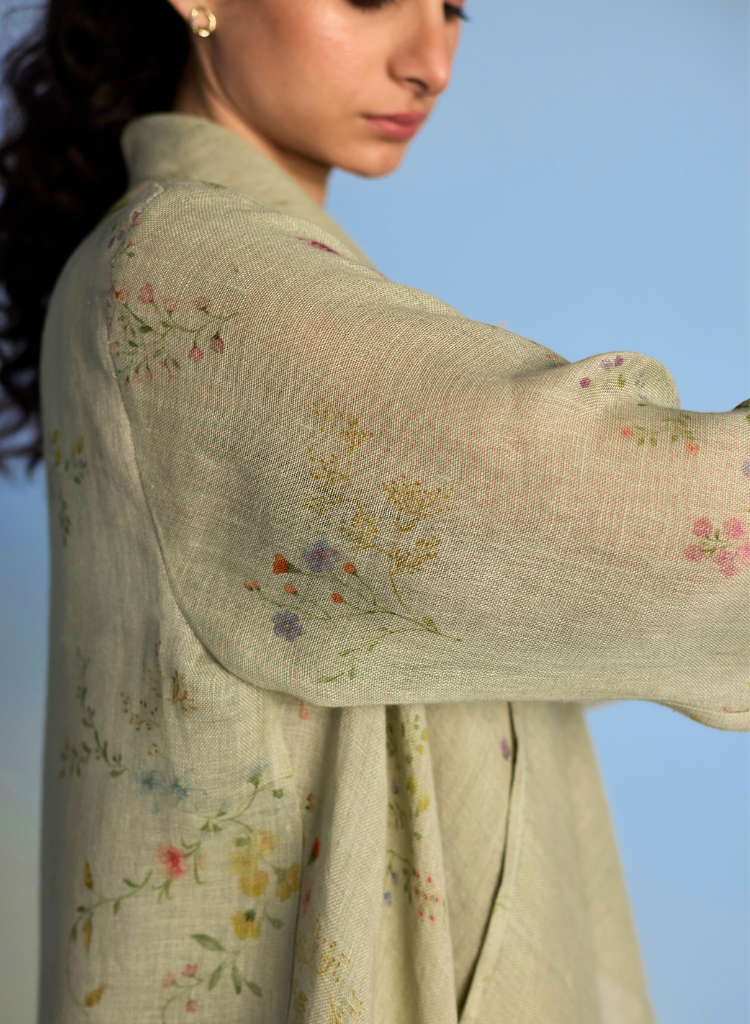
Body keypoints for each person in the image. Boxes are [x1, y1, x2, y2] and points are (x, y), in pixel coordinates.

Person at [0, 2, 746, 1022]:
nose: (432, 62)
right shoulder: (186, 269)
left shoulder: (175, 258)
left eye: (453, 8)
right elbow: (644, 516)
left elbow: (526, 585)